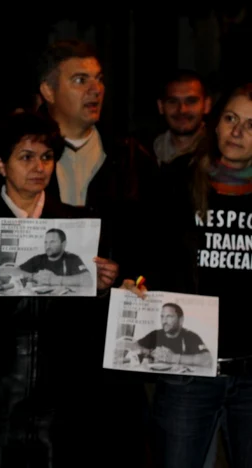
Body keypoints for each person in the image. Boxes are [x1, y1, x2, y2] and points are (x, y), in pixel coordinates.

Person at [0, 112, 119, 467]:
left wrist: (103, 289)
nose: (39, 167)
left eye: (46, 157)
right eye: (26, 157)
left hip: (62, 389)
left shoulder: (77, 223)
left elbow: (93, 326)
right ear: (1, 164)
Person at [148, 83, 252, 468]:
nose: (237, 131)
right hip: (189, 371)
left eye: (251, 125)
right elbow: (150, 253)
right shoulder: (179, 181)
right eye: (231, 118)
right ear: (216, 121)